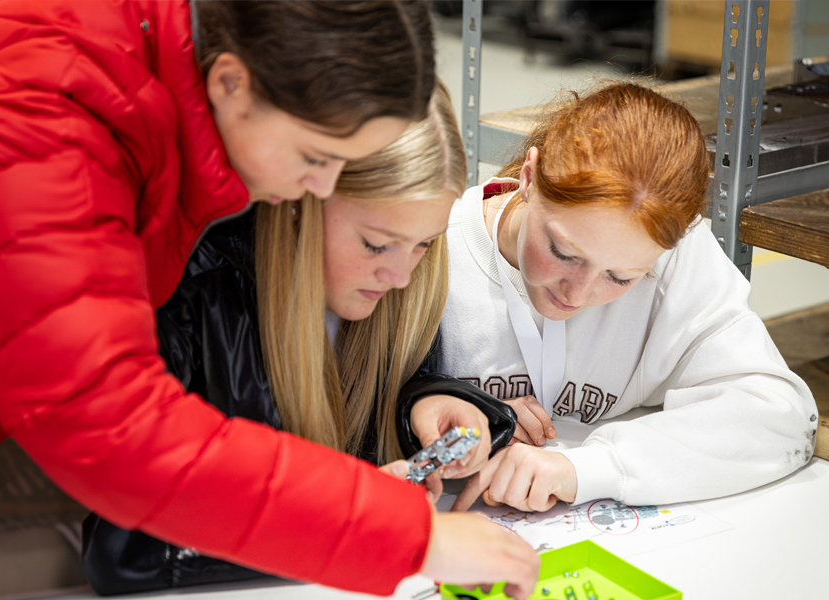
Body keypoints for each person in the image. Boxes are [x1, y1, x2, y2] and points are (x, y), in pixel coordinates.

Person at [0, 1, 538, 598]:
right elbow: (113, 429)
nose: (319, 191)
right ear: (229, 83)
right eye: (316, 158)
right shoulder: (51, 121)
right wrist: (407, 536)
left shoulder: (140, 80)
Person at [81, 80, 518, 594]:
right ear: (302, 201)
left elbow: (373, 419)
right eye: (377, 244)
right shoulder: (192, 290)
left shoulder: (405, 285)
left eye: (424, 243)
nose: (399, 275)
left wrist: (425, 403)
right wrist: (356, 519)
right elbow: (124, 548)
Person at [429, 81, 819, 513]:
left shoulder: (671, 252)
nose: (577, 294)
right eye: (563, 252)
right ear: (529, 177)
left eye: (620, 277)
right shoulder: (434, 250)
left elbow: (782, 417)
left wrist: (591, 468)